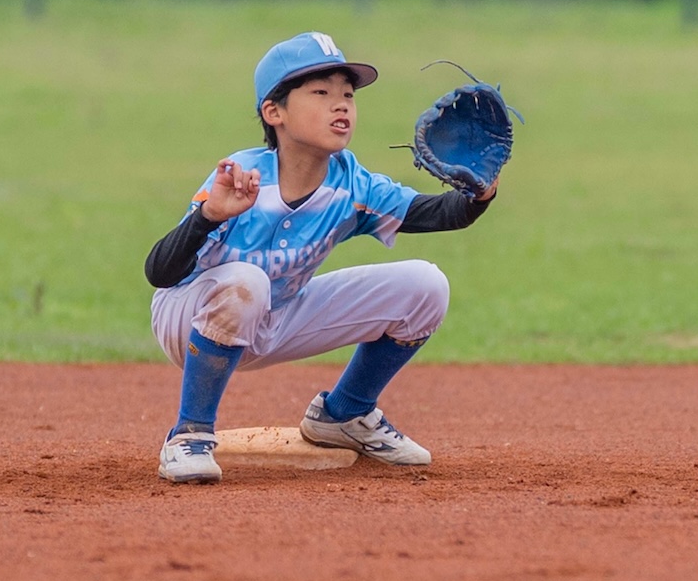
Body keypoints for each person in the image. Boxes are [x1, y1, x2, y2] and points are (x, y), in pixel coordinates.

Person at [147, 32, 498, 484]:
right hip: (189, 318)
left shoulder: (352, 183)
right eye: (320, 93)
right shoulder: (243, 177)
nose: (341, 105)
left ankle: (345, 415)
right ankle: (188, 434)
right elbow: (160, 272)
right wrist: (210, 215)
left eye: (347, 95)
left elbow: (435, 214)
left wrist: (480, 191)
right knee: (247, 283)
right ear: (274, 112)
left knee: (426, 286)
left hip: (280, 316)